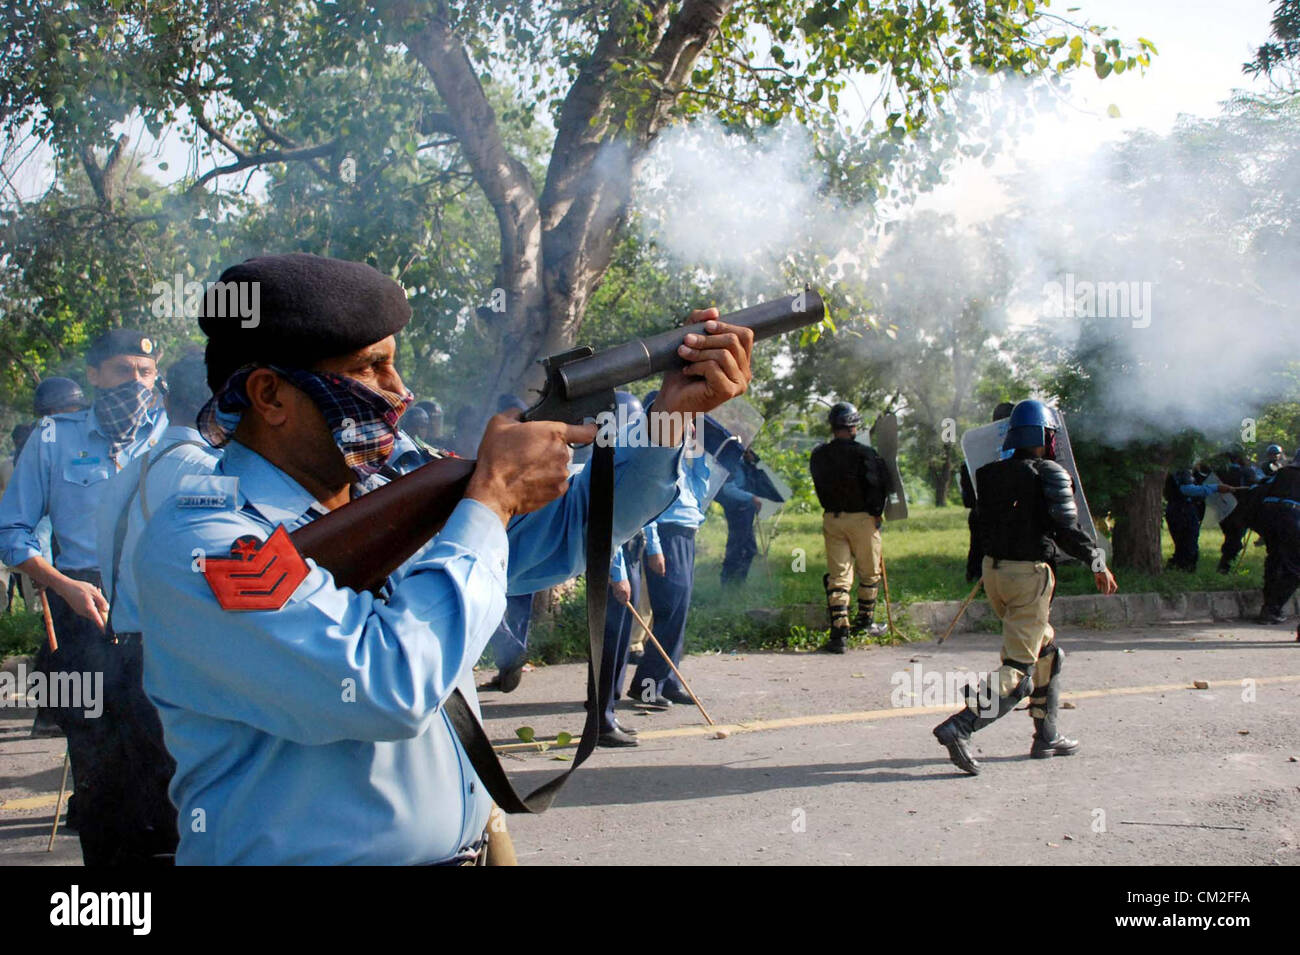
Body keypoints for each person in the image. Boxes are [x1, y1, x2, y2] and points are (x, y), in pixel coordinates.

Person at [134, 252, 753, 864]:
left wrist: (672, 416)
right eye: (371, 368)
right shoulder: (208, 541)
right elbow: (387, 685)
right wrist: (490, 499)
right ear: (270, 395)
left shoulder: (389, 495)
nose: (398, 391)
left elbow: (570, 533)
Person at [0, 330, 168, 863]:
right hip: (81, 616)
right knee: (96, 766)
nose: (137, 383)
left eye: (145, 371)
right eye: (123, 371)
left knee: (165, 762)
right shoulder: (52, 439)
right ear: (94, 376)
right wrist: (63, 585)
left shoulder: (175, 438)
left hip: (160, 620)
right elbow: (12, 532)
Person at [932, 399, 1118, 775]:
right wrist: (1097, 562)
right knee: (1018, 671)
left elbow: (983, 525)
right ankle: (961, 726)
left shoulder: (988, 473)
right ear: (1047, 436)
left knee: (1048, 653)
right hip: (1028, 578)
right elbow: (1068, 529)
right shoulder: (1049, 472)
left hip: (995, 575)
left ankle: (1046, 735)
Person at [93, 353, 218, 863]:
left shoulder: (128, 473)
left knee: (151, 814)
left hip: (127, 660)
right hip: (181, 666)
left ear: (165, 399)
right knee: (194, 817)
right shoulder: (211, 475)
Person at [627, 390, 712, 709]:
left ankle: (669, 680)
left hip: (686, 529)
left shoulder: (684, 453)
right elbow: (645, 503)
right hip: (666, 530)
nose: (688, 424)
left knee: (680, 611)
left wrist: (698, 450)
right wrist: (655, 546)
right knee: (669, 611)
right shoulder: (654, 453)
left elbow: (701, 486)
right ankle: (647, 686)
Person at [808, 401, 892, 652]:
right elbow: (879, 486)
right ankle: (865, 621)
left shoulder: (819, 454)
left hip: (832, 519)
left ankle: (839, 634)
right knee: (869, 574)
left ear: (833, 426)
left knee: (839, 577)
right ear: (854, 426)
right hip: (863, 520)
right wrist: (877, 514)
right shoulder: (866, 454)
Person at [960, 403, 1014, 582]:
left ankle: (977, 576)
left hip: (980, 511)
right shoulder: (986, 451)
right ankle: (980, 577)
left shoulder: (975, 450)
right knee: (985, 548)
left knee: (981, 548)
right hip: (988, 512)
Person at [1255, 449, 1300, 625]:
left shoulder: (1282, 472)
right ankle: (1272, 608)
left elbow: (1260, 487)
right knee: (1295, 569)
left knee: (1274, 561)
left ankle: (1268, 606)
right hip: (1292, 519)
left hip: (1269, 518)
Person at [716, 450, 762, 585]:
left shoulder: (745, 459)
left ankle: (739, 583)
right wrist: (751, 498)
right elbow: (728, 489)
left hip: (746, 509)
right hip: (737, 509)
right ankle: (728, 583)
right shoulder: (730, 459)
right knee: (737, 547)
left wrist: (752, 460)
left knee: (749, 548)